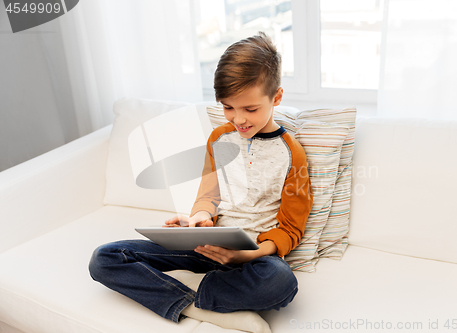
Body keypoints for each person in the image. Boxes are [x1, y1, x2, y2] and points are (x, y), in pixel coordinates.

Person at [88, 32, 313, 324]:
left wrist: (247, 256)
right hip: (207, 246)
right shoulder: (219, 138)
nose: (238, 119)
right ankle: (193, 304)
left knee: (281, 283)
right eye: (228, 107)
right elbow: (208, 197)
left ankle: (188, 296)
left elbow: (291, 228)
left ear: (277, 97)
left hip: (254, 257)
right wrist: (198, 220)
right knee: (105, 258)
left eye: (250, 109)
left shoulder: (292, 153)